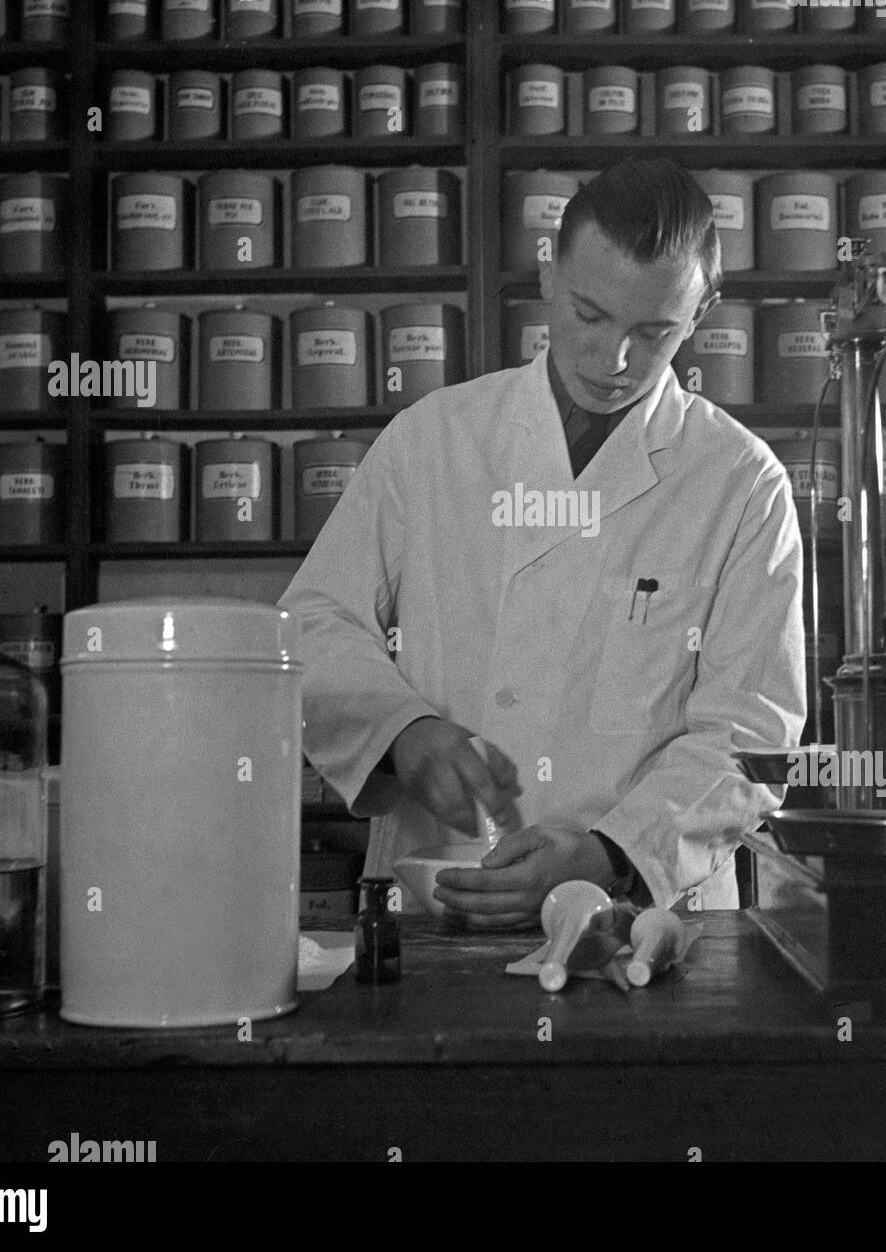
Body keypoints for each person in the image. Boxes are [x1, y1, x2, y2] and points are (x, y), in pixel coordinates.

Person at [281, 158, 806, 925]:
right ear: (548, 274)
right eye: (590, 315)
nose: (614, 360)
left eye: (654, 331)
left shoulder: (740, 481)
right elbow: (312, 624)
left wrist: (612, 854)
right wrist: (404, 732)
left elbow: (754, 738)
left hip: (641, 922)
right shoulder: (434, 439)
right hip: (442, 892)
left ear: (703, 312)